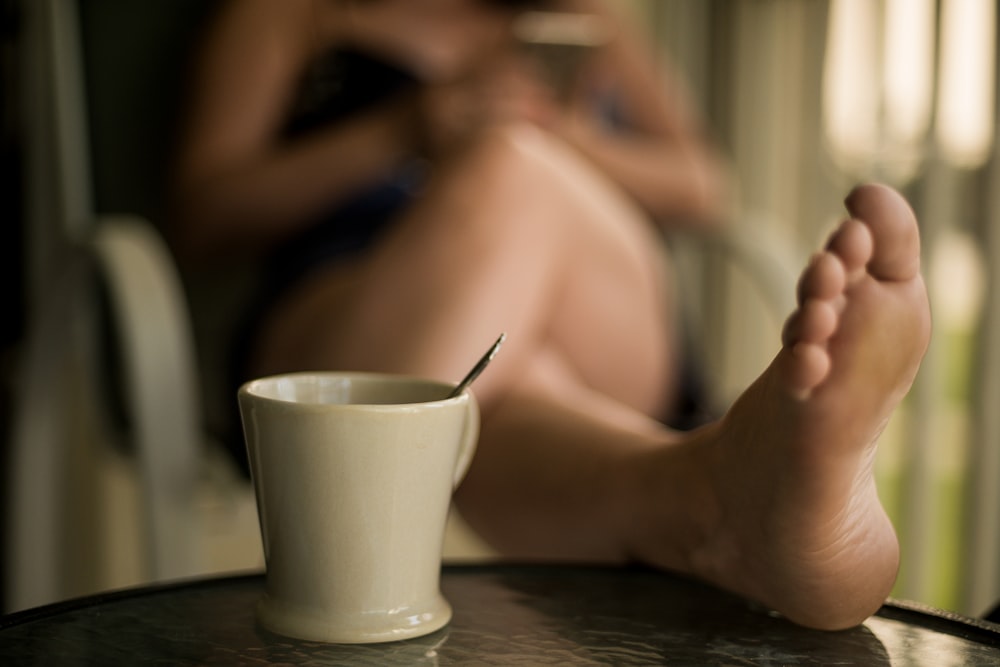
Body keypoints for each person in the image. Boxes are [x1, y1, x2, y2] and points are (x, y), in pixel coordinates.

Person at [168, 0, 931, 632]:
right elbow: (203, 214)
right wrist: (404, 131)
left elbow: (701, 183)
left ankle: (714, 512)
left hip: (578, 286)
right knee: (506, 365)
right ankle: (713, 502)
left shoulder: (585, 16)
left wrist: (563, 140)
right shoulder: (292, 13)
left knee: (516, 170)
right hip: (360, 290)